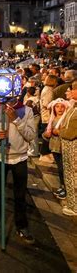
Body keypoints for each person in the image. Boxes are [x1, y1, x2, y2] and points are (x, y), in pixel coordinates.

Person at [0, 97, 36, 244]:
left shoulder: (27, 110)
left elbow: (31, 135)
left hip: (20, 158)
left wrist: (17, 119)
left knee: (20, 195)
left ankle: (22, 226)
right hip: (0, 157)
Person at [43, 98, 71, 200]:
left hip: (62, 147)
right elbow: (47, 134)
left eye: (62, 106)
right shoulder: (52, 119)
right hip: (54, 147)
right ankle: (62, 185)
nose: (60, 109)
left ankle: (67, 188)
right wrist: (46, 134)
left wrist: (59, 132)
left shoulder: (65, 119)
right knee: (59, 168)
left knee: (63, 168)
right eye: (57, 106)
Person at [58, 81, 77, 216]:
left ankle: (75, 206)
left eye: (72, 89)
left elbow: (71, 133)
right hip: (68, 149)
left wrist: (60, 132)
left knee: (74, 177)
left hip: (73, 149)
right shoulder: (74, 107)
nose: (68, 91)